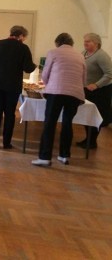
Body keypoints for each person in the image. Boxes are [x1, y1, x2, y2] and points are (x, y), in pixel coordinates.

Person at [32, 33, 86, 167]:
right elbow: (84, 78)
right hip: (75, 93)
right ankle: (64, 155)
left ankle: (45, 157)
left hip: (56, 91)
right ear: (71, 43)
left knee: (50, 123)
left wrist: (46, 84)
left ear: (58, 43)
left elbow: (45, 74)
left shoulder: (53, 52)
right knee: (67, 123)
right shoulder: (80, 56)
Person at [0, 25, 36, 149]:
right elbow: (28, 68)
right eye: (24, 37)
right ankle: (6, 142)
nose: (24, 39)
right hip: (12, 85)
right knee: (9, 114)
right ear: (21, 36)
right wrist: (34, 66)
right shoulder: (23, 48)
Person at [76, 32, 112, 149]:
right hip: (87, 89)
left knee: (95, 115)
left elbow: (109, 74)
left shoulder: (101, 56)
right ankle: (88, 139)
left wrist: (96, 85)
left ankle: (92, 141)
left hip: (100, 91)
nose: (85, 43)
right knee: (87, 114)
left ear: (96, 43)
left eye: (88, 41)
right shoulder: (84, 53)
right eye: (85, 41)